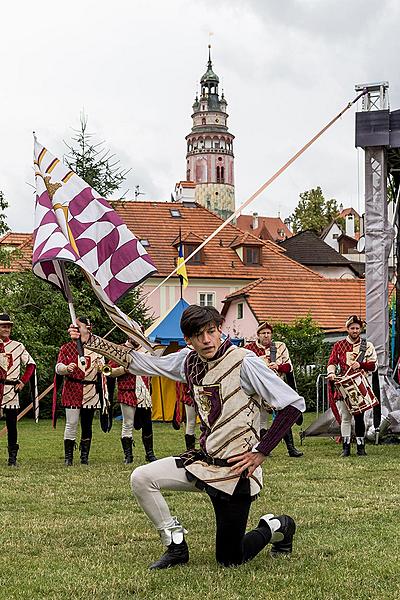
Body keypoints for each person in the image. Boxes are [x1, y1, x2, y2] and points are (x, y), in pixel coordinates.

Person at [70, 305, 305, 569]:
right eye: (197, 335)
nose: (206, 340)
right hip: (203, 464)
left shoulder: (245, 362)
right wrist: (90, 340)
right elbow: (139, 362)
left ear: (219, 330)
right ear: (188, 340)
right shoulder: (187, 361)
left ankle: (277, 525)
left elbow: (293, 404)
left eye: (211, 331)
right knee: (142, 478)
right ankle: (175, 545)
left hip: (236, 473)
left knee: (230, 559)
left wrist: (261, 451)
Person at [245, 322, 303, 458]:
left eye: (268, 333)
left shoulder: (280, 347)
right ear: (258, 335)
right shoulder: (249, 349)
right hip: (258, 388)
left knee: (283, 416)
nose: (266, 335)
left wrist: (278, 366)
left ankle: (291, 448)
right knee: (262, 418)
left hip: (277, 385)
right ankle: (265, 447)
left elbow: (289, 367)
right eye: (263, 333)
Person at [55, 316, 105, 466]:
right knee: (71, 424)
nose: (76, 328)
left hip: (90, 390)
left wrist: (101, 367)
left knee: (87, 424)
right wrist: (66, 368)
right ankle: (68, 458)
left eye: (80, 326)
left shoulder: (96, 349)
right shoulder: (66, 348)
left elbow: (102, 368)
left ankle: (84, 457)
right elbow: (58, 367)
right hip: (72, 389)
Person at [327, 315, 377, 457]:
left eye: (357, 328)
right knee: (346, 418)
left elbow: (373, 365)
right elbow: (331, 363)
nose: (355, 330)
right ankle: (346, 448)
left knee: (359, 417)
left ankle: (361, 447)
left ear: (360, 329)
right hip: (344, 385)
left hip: (360, 384)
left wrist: (360, 364)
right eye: (352, 328)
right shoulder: (338, 345)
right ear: (347, 329)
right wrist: (331, 373)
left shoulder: (367, 346)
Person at [107, 338, 157, 464]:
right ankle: (128, 456)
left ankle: (149, 454)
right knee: (128, 423)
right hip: (127, 391)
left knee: (147, 424)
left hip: (143, 391)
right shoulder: (119, 349)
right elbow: (108, 371)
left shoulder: (146, 350)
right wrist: (124, 369)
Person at [0, 313, 36, 466]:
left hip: (10, 390)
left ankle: (12, 458)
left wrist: (23, 381)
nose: (6, 328)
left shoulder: (18, 346)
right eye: (3, 326)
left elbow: (31, 364)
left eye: (8, 326)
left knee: (12, 425)